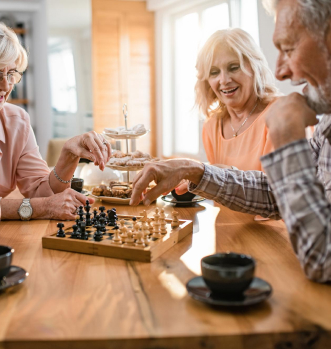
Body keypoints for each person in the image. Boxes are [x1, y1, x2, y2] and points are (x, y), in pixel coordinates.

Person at [131, 0, 331, 283]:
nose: (282, 71)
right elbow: (275, 193)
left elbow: (323, 259)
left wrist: (287, 138)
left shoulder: (285, 116)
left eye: (289, 48)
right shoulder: (327, 125)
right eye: (214, 72)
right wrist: (194, 170)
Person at [0, 17, 111, 222]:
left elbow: (43, 192)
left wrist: (68, 155)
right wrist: (42, 208)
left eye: (11, 73)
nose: (5, 86)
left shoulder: (16, 120)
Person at [196, 28, 279, 171]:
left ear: (255, 67)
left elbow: (279, 189)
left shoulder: (281, 113)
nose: (224, 80)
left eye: (234, 67)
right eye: (214, 72)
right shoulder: (212, 126)